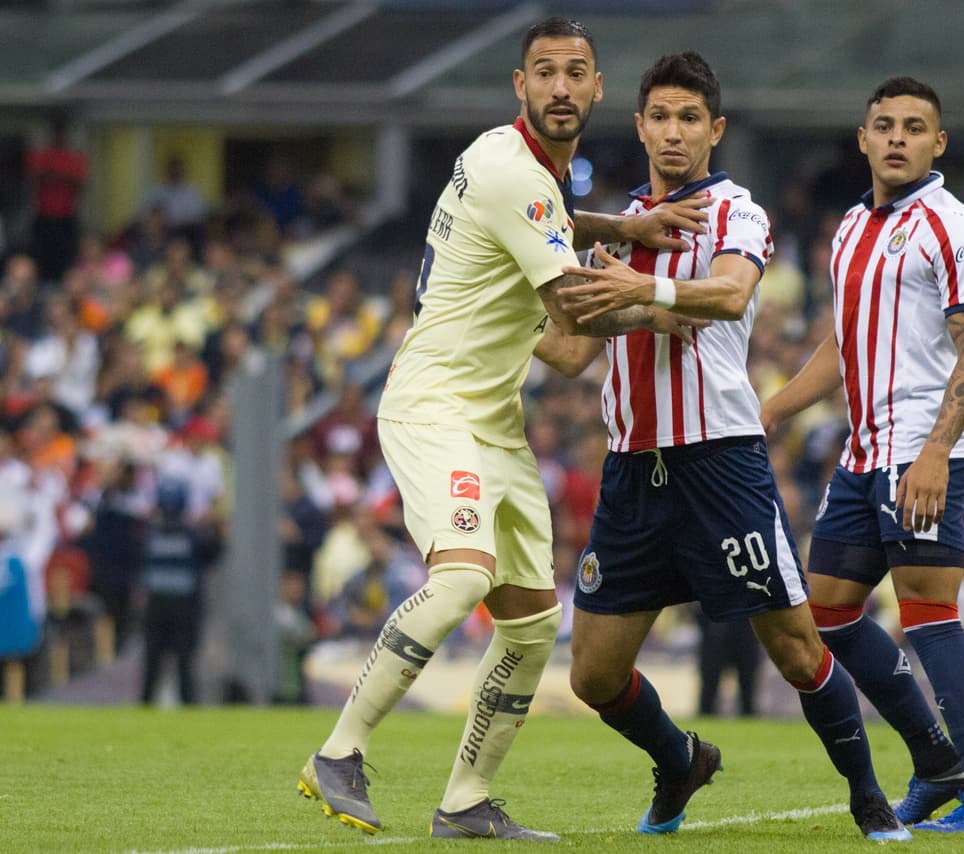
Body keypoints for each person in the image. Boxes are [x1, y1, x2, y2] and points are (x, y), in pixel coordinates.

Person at [296, 17, 709, 841]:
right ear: (519, 87)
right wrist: (663, 304)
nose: (561, 86)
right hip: (433, 407)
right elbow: (567, 316)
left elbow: (556, 336)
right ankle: (336, 754)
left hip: (492, 423)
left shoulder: (528, 177)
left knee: (528, 621)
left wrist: (622, 233)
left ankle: (465, 801)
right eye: (545, 72)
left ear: (596, 90)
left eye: (577, 72)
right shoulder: (510, 171)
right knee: (461, 578)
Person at [537, 52, 910, 842]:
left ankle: (868, 794)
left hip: (720, 462)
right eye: (661, 117)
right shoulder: (627, 221)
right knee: (594, 673)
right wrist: (492, 321)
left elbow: (733, 292)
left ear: (716, 130)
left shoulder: (737, 210)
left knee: (796, 646)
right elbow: (577, 347)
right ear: (639, 126)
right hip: (634, 469)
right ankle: (680, 759)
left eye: (690, 118)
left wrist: (644, 291)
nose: (674, 132)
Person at [760, 76, 964, 832]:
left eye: (914, 126)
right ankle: (936, 761)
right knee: (828, 615)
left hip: (921, 448)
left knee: (930, 615)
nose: (898, 137)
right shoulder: (848, 229)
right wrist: (774, 408)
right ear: (863, 139)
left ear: (938, 143)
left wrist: (938, 451)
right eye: (885, 125)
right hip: (863, 452)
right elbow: (844, 345)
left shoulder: (952, 226)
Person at [139, 478, 219, 705]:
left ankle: (153, 705)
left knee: (166, 663)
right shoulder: (190, 535)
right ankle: (181, 704)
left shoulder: (152, 533)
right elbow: (213, 553)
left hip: (165, 605)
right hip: (179, 606)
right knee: (174, 662)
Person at [25, 116, 88, 282]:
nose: (59, 137)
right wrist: (60, 176)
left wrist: (54, 175)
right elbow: (35, 177)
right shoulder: (41, 155)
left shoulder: (74, 158)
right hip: (44, 215)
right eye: (56, 133)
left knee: (66, 256)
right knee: (42, 255)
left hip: (66, 216)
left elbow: (79, 182)